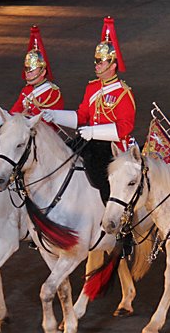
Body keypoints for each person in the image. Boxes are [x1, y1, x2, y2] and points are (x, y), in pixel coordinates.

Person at [40, 17, 135, 202]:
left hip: (111, 147)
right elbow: (82, 115)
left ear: (113, 65)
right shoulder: (92, 87)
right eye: (96, 61)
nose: (97, 65)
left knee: (102, 177)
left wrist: (94, 131)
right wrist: (56, 115)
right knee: (61, 156)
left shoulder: (123, 93)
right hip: (90, 141)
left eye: (101, 62)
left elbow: (125, 127)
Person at [0, 25, 64, 125]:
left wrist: (24, 117)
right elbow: (11, 116)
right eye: (26, 70)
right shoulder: (27, 90)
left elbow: (48, 124)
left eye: (31, 70)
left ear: (43, 72)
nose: (28, 74)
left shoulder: (52, 92)